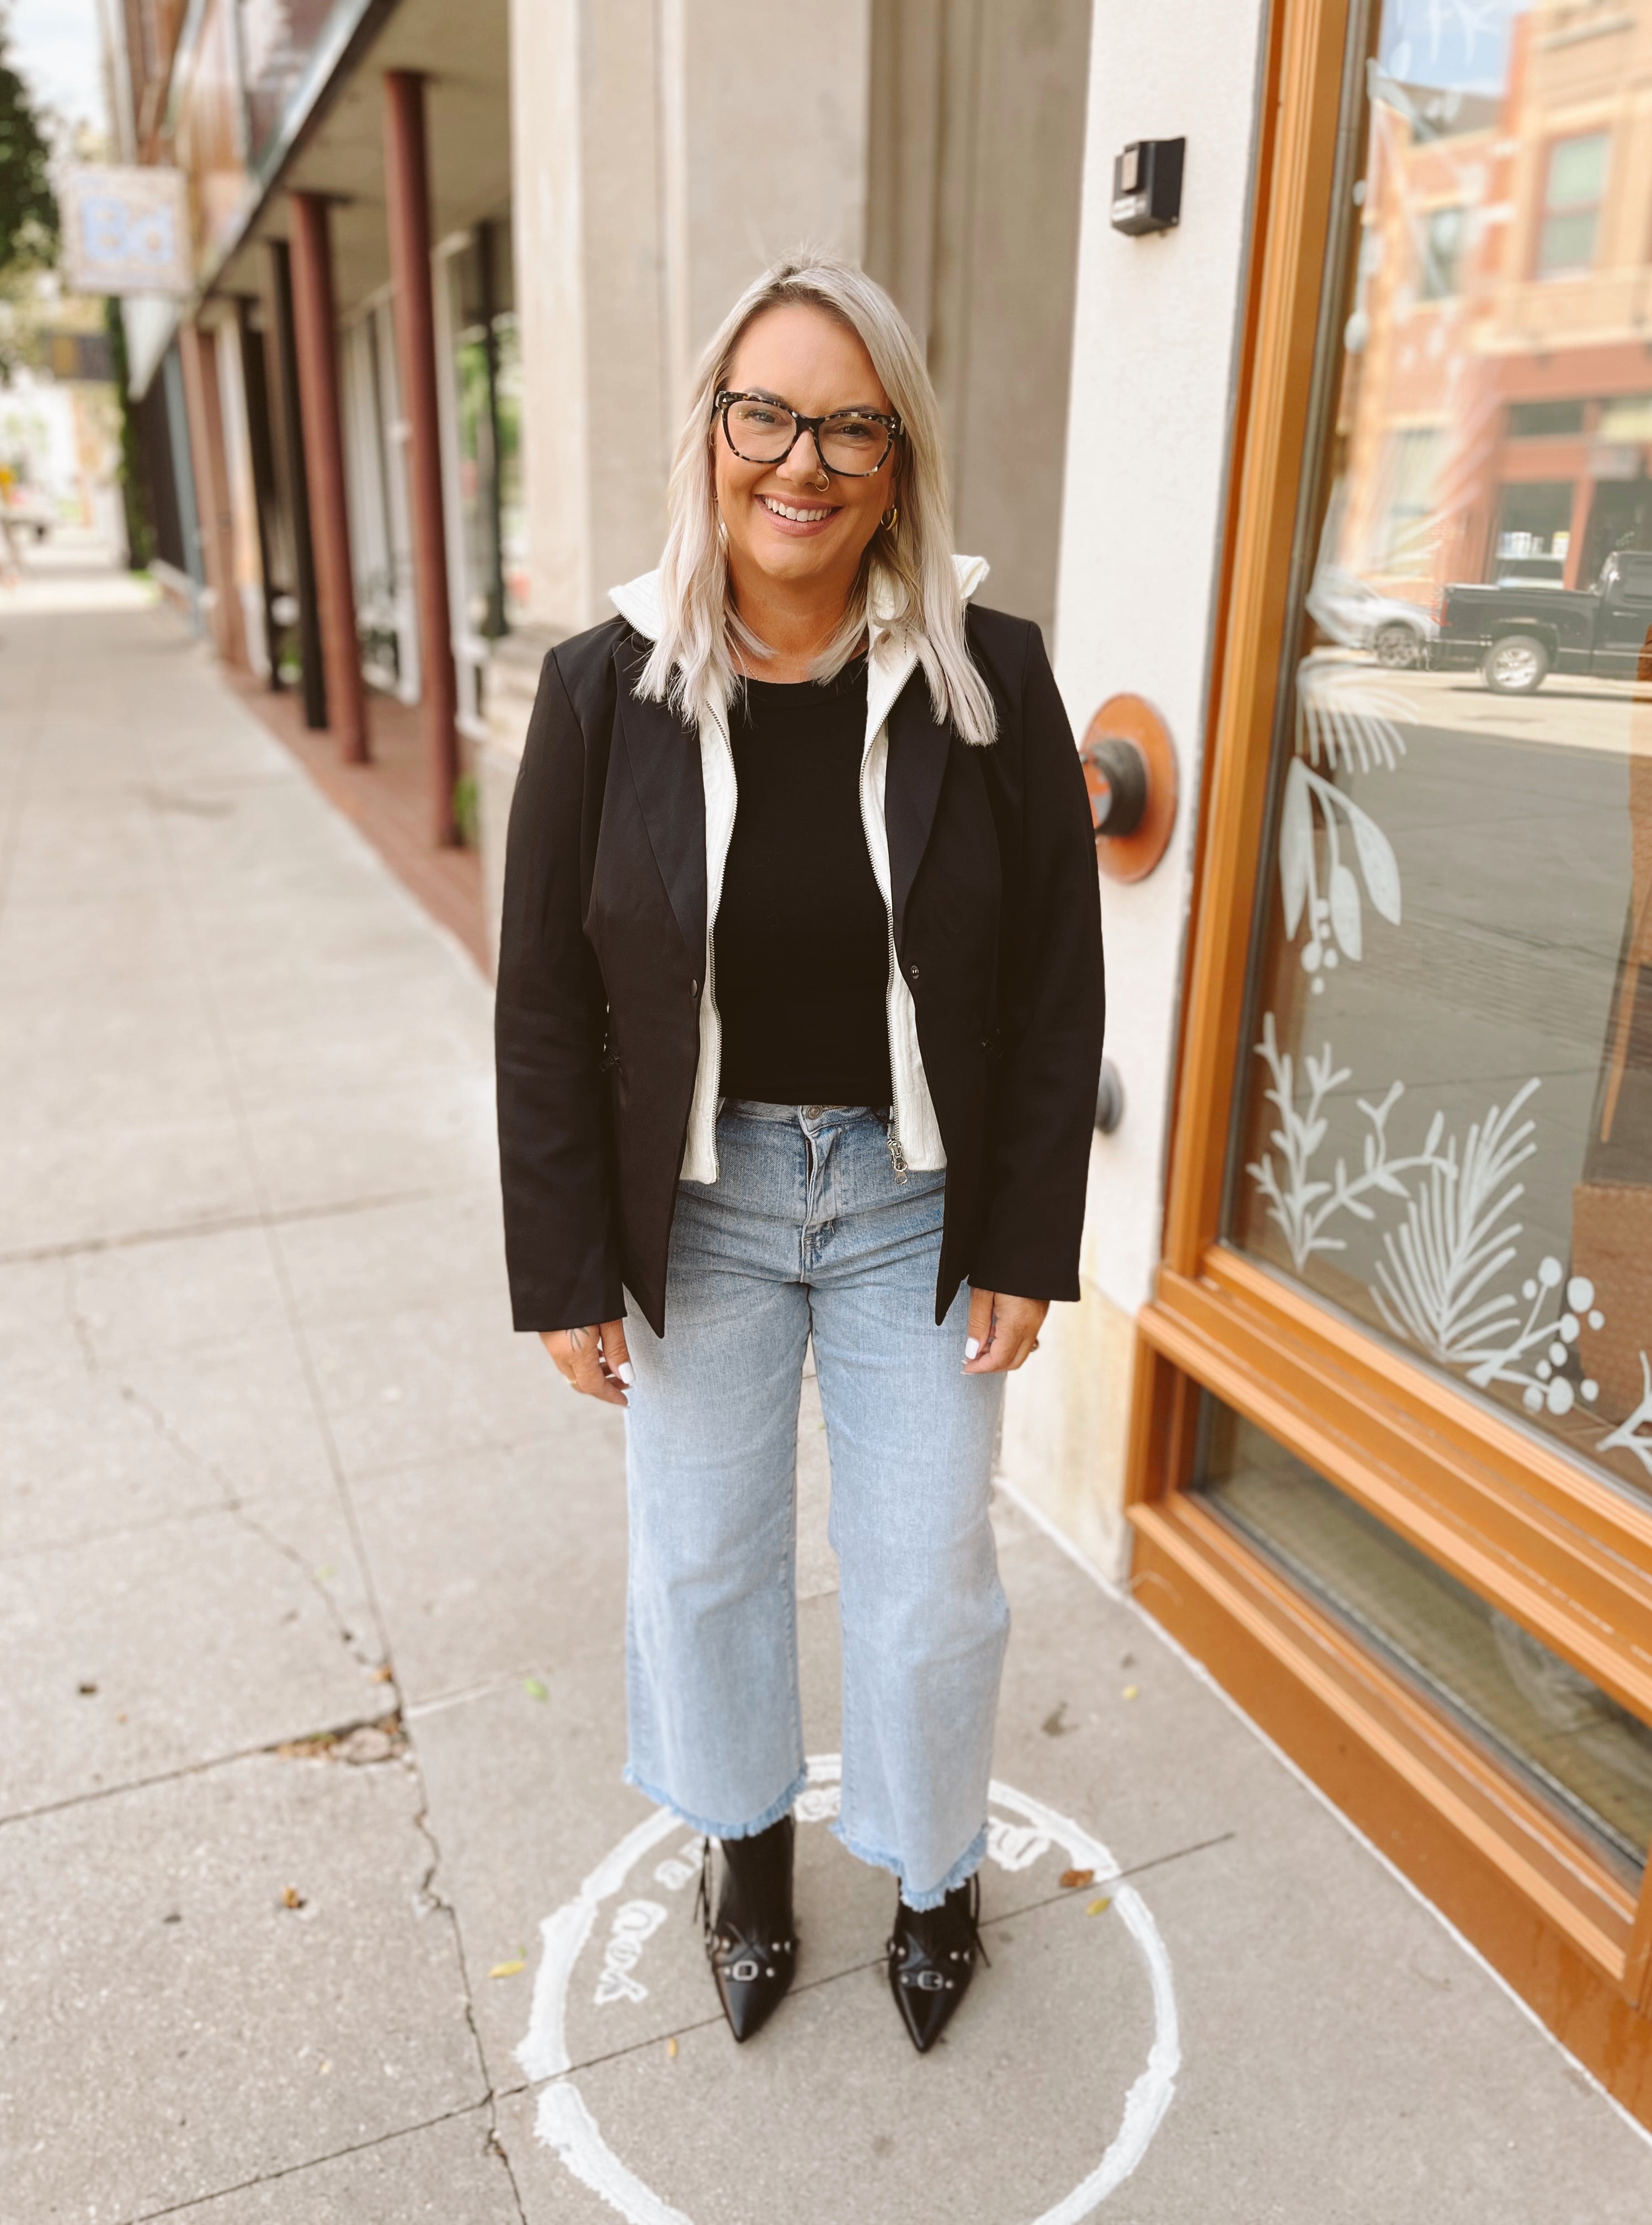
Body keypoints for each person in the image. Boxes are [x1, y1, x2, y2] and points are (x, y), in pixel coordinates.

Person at [495, 254, 1104, 2054]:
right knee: (702, 1568)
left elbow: (1058, 986)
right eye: (766, 413)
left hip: (915, 1203)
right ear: (710, 436)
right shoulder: (605, 688)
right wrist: (560, 1268)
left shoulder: (987, 676)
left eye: (851, 424)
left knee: (928, 1584)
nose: (802, 461)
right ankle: (742, 1853)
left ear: (897, 460)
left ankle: (929, 1871)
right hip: (701, 1211)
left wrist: (1022, 1237)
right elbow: (542, 1000)